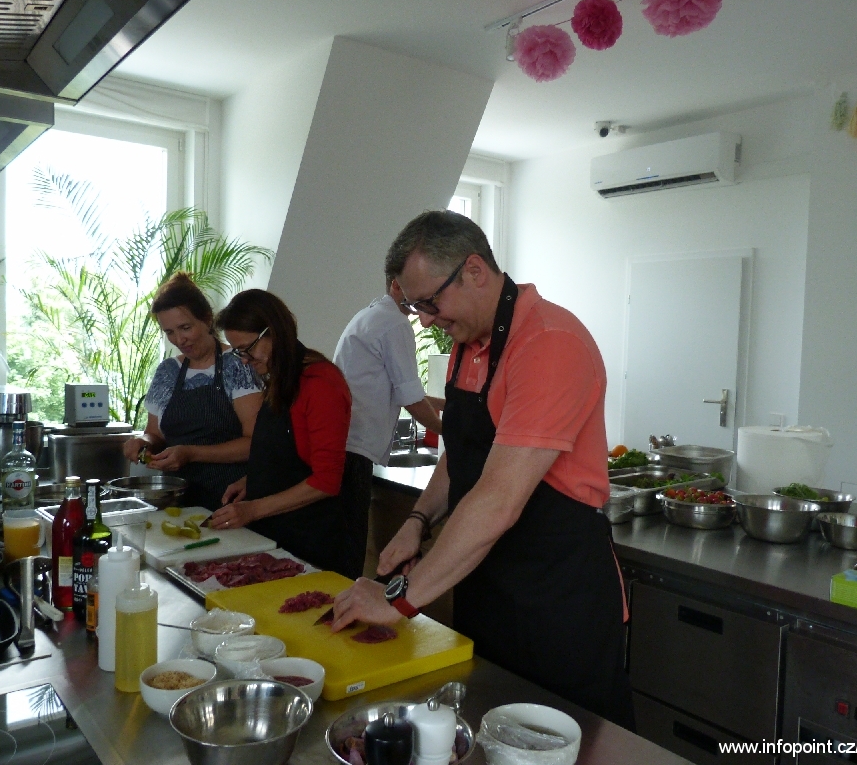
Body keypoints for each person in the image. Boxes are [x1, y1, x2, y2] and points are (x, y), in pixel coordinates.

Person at [330, 210, 635, 729]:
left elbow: (497, 499)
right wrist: (418, 520)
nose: (425, 320)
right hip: (487, 583)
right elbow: (463, 452)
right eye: (415, 307)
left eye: (429, 302)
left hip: (557, 598)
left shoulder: (549, 342)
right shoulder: (467, 344)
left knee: (568, 745)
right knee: (488, 731)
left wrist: (397, 599)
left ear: (473, 270)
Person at [208, 289, 359, 578]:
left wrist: (253, 510)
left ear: (273, 332)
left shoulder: (321, 383)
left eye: (247, 348)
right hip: (275, 535)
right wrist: (253, 479)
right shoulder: (280, 377)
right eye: (238, 351)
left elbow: (326, 482)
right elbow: (286, 454)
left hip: (310, 540)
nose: (244, 360)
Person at [333, 277, 444, 578]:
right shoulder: (394, 323)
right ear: (396, 285)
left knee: (343, 545)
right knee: (350, 550)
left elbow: (399, 389)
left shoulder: (371, 315)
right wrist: (450, 431)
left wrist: (448, 404)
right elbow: (410, 398)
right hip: (355, 449)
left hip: (344, 443)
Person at [122, 273, 262, 510]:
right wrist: (143, 443)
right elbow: (155, 434)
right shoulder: (168, 371)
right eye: (169, 332)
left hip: (230, 499)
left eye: (185, 328)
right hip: (175, 500)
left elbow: (255, 443)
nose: (179, 339)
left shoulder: (239, 364)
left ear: (207, 319)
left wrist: (191, 453)